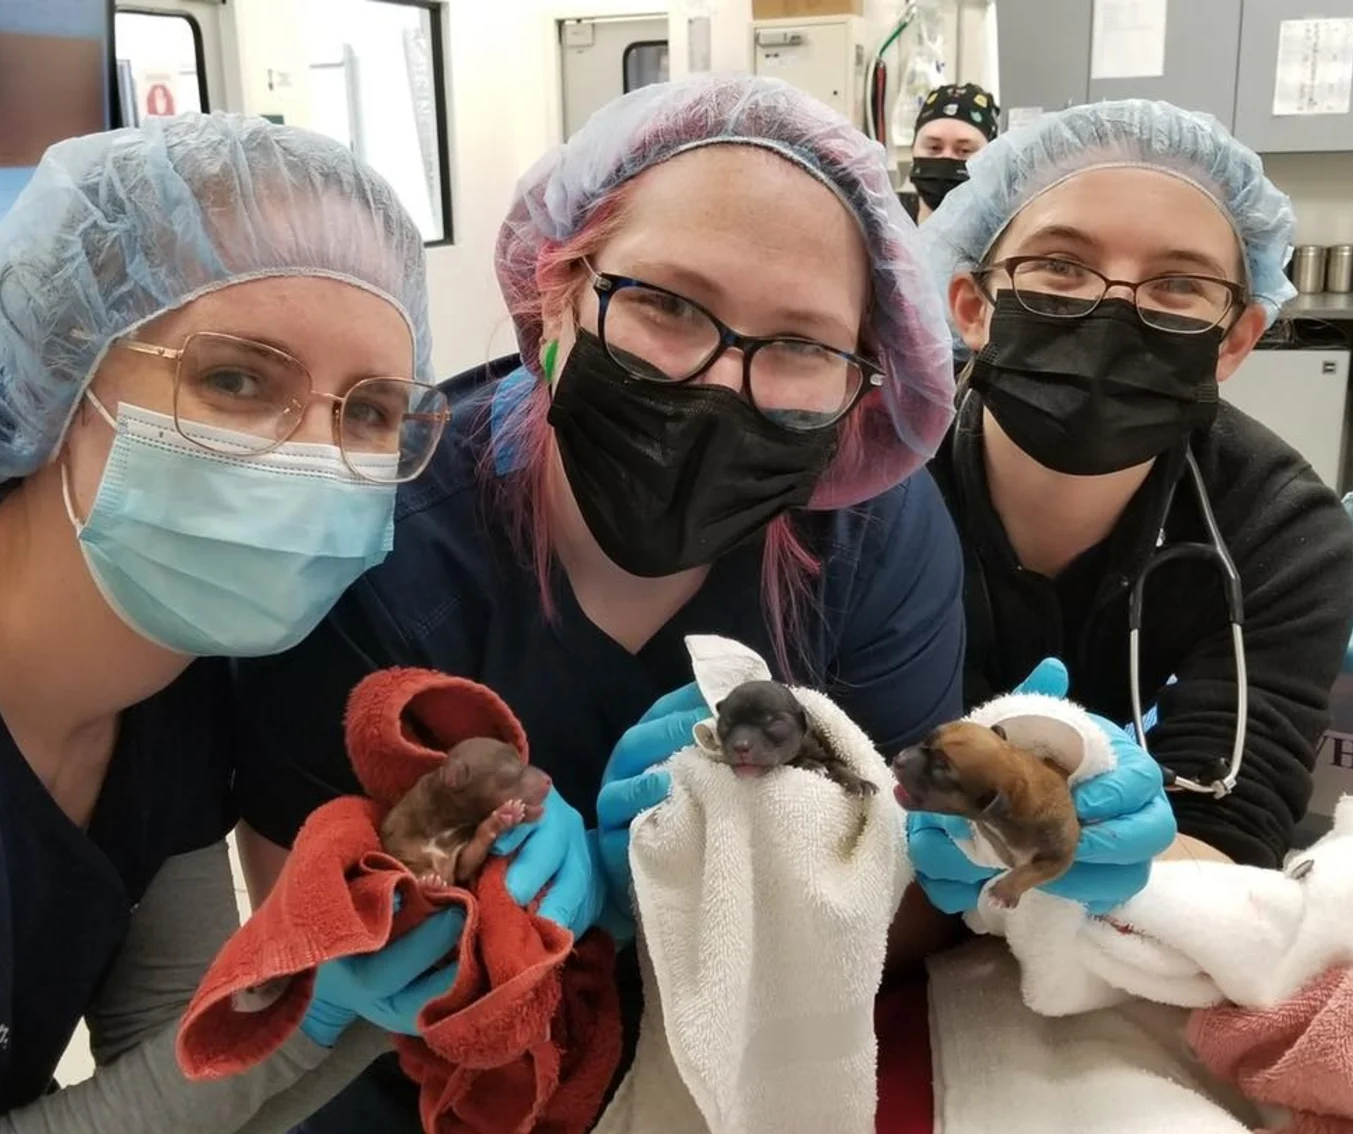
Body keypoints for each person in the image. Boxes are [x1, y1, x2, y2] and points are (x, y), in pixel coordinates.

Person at [229, 73, 969, 1128]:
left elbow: (909, 915)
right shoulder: (382, 530)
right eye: (667, 304)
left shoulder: (875, 542)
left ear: (866, 379)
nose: (721, 382)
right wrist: (427, 925)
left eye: (802, 345)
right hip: (423, 1072)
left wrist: (712, 888)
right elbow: (299, 896)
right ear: (559, 286)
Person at [0, 113, 484, 1132]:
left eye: (370, 411)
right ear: (59, 375)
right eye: (238, 379)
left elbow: (172, 1032)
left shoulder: (168, 664)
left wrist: (348, 998)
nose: (317, 462)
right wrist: (313, 1011)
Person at [909, 99, 1353, 910]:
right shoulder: (868, 489)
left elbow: (1229, 833)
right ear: (973, 307)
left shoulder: (1283, 533)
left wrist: (1103, 861)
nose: (1112, 313)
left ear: (1234, 341)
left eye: (1180, 285)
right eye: (1060, 267)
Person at [906, 81, 1000, 223]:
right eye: (934, 148)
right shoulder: (882, 231)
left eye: (964, 150)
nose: (946, 159)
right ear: (913, 148)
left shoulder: (1011, 239)